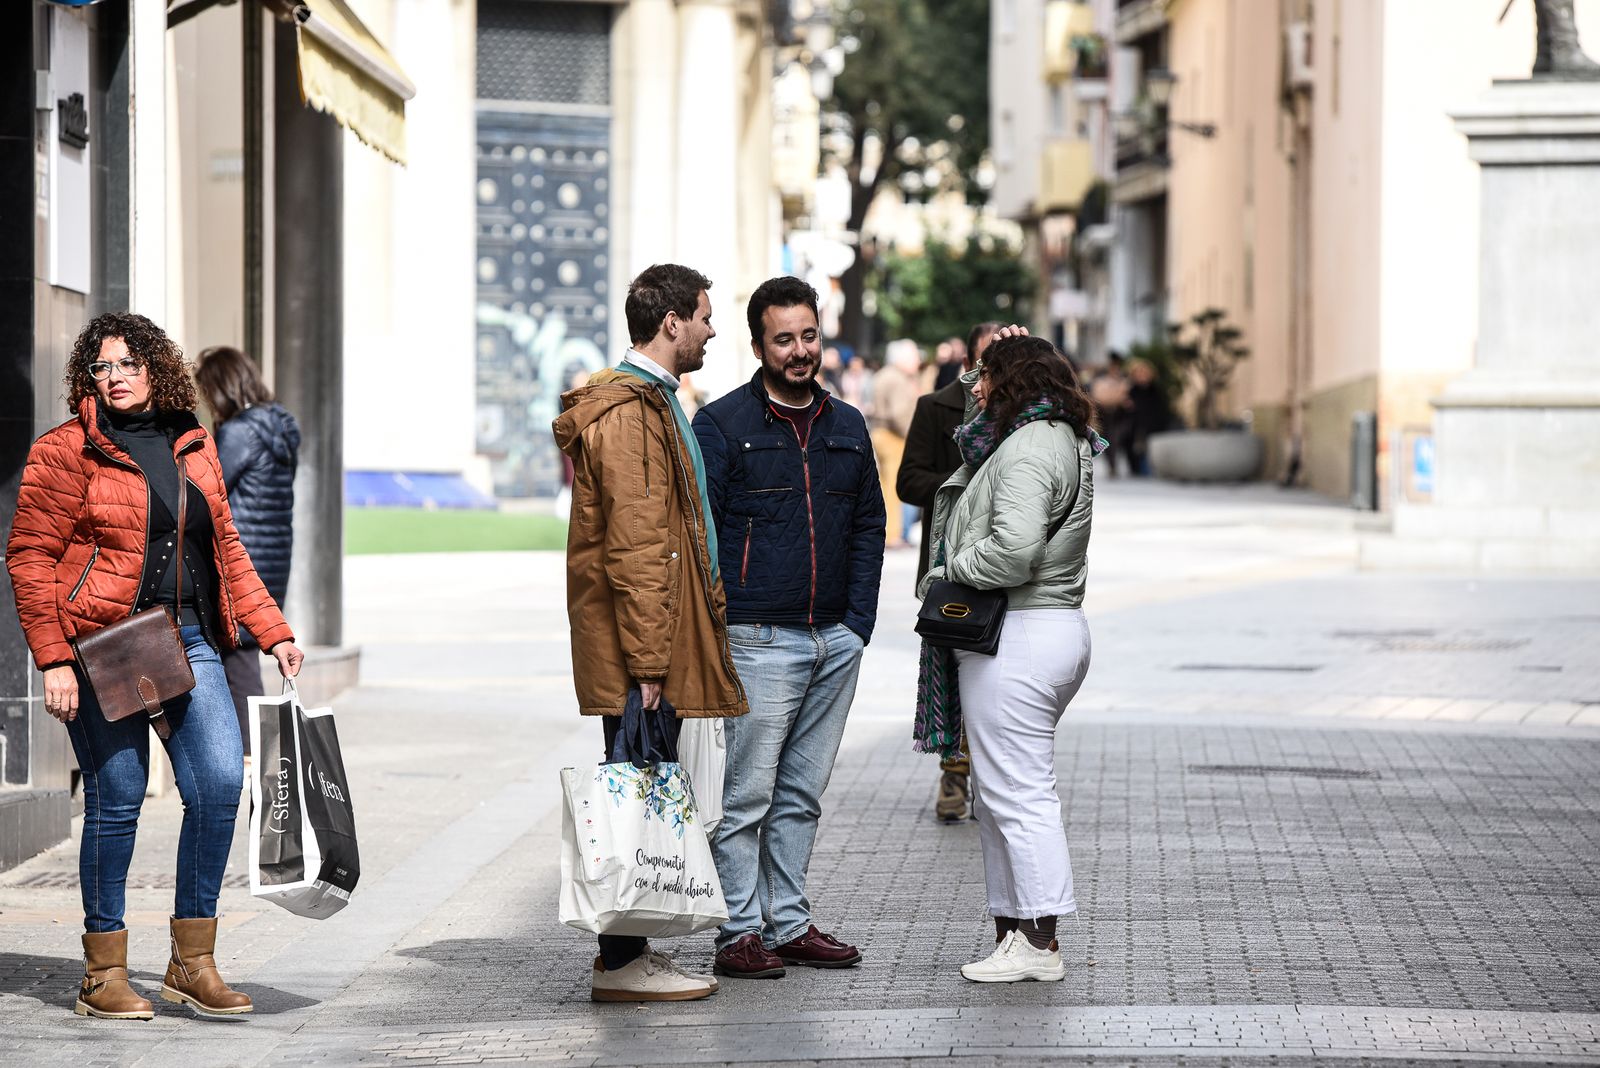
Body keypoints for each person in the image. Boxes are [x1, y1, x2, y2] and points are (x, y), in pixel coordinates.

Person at [6, 312, 305, 1020]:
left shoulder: (191, 444)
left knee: (220, 783)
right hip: (102, 645)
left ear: (157, 370)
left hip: (192, 638)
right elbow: (29, 557)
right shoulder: (66, 450)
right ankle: (102, 973)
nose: (112, 378)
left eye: (127, 365)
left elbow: (227, 550)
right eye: (101, 367)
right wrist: (52, 658)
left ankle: (190, 962)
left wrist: (274, 632)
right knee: (118, 798)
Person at [552, 264, 749, 1003]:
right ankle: (623, 960)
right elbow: (638, 547)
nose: (710, 328)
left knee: (639, 791)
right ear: (670, 322)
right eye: (702, 315)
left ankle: (624, 957)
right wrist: (648, 663)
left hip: (653, 645)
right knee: (635, 797)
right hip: (645, 652)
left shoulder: (654, 401)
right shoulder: (633, 412)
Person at [692, 275, 886, 980]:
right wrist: (722, 625)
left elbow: (869, 524)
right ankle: (739, 931)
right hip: (758, 637)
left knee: (802, 792)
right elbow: (703, 536)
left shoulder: (847, 425)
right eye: (785, 339)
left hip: (835, 639)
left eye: (809, 336)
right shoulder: (721, 427)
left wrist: (858, 622)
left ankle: (790, 922)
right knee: (747, 795)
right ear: (758, 346)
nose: (801, 351)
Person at [915, 329, 1101, 984]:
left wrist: (952, 566)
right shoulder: (1056, 437)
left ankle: (1040, 941)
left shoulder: (1026, 450)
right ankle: (1017, 935)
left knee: (1019, 793)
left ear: (1012, 381)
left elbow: (1014, 550)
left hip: (1020, 633)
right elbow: (973, 420)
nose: (978, 386)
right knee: (1001, 793)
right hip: (1040, 631)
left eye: (987, 375)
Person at [895, 320, 998, 823]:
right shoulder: (934, 408)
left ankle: (994, 779)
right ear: (966, 363)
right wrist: (964, 485)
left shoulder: (1023, 417)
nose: (989, 375)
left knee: (997, 678)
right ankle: (954, 776)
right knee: (953, 674)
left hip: (1004, 566)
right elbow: (908, 481)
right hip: (947, 568)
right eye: (983, 362)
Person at [194, 346, 300, 761]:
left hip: (243, 560)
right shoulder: (281, 425)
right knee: (245, 654)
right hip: (275, 557)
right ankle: (253, 749)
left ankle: (253, 755)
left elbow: (207, 486)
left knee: (237, 659)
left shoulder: (238, 433)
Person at [870, 339, 923, 547]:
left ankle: (891, 532)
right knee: (893, 488)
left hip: (882, 433)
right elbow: (899, 414)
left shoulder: (885, 374)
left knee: (887, 486)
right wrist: (915, 436)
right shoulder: (897, 378)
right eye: (914, 356)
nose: (918, 361)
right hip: (893, 436)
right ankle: (892, 535)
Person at [1124, 357, 1170, 476]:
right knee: (1136, 453)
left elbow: (1162, 410)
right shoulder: (1129, 391)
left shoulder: (1156, 390)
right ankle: (1137, 470)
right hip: (1135, 429)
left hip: (1154, 428)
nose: (1142, 375)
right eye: (1139, 372)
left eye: (1145, 372)